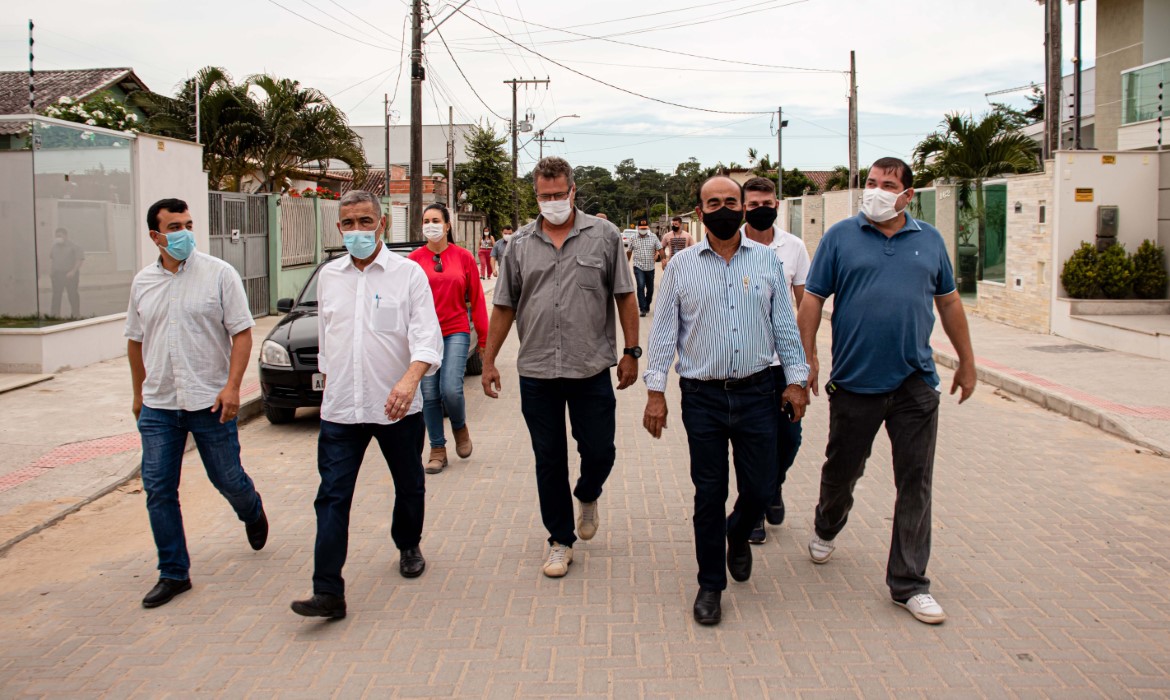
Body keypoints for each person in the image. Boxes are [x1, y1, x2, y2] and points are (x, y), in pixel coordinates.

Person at [797, 157, 976, 625]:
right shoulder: (840, 236)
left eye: (887, 185)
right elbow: (813, 298)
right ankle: (827, 523)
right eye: (871, 183)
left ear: (907, 195)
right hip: (855, 383)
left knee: (915, 482)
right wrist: (808, 359)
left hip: (915, 383)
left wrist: (967, 362)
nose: (876, 191)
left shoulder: (930, 241)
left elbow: (950, 302)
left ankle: (910, 583)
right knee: (843, 470)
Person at [643, 175, 809, 626]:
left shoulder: (769, 263)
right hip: (703, 397)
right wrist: (655, 391)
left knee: (761, 487)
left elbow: (785, 329)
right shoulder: (679, 267)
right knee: (709, 494)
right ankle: (710, 584)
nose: (723, 208)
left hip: (759, 392)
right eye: (712, 202)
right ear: (699, 212)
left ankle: (738, 533)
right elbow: (662, 334)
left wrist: (797, 380)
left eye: (730, 201)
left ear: (742, 206)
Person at [483, 156, 639, 578]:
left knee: (600, 451)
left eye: (558, 194)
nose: (551, 202)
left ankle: (588, 493)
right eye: (543, 196)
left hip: (590, 368)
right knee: (547, 457)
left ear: (573, 192)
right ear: (535, 195)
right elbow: (504, 305)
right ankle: (559, 538)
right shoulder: (518, 244)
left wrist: (632, 351)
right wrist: (489, 359)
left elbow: (626, 295)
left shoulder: (604, 236)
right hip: (536, 371)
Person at [291, 190, 443, 620]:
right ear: (339, 228)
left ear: (382, 224)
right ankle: (328, 591)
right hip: (341, 409)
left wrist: (410, 380)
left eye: (365, 221)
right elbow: (327, 335)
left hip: (396, 407)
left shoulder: (407, 275)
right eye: (349, 223)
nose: (357, 230)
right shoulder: (330, 276)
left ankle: (407, 542)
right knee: (332, 497)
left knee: (409, 485)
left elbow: (427, 339)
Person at [125, 198, 267, 609]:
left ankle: (252, 510)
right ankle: (173, 572)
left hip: (209, 399)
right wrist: (138, 394)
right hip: (159, 404)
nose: (184, 233)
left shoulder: (219, 274)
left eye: (188, 224)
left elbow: (242, 333)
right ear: (155, 236)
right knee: (158, 488)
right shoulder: (142, 283)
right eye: (174, 227)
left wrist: (233, 387)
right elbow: (135, 341)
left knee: (227, 479)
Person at [739, 176, 812, 545]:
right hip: (746, 365)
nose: (760, 209)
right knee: (753, 442)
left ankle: (773, 486)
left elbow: (806, 306)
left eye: (766, 203)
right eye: (752, 205)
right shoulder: (728, 245)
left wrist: (806, 362)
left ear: (777, 203)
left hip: (783, 363)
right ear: (743, 207)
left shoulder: (793, 247)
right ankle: (752, 512)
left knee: (789, 438)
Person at [408, 203, 489, 474]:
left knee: (451, 390)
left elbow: (477, 300)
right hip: (424, 336)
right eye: (426, 220)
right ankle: (437, 448)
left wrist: (485, 342)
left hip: (456, 330)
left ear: (447, 226)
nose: (430, 225)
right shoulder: (413, 261)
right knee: (429, 394)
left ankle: (460, 427)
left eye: (436, 220)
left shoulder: (463, 257)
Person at [629, 218, 662, 317]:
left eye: (645, 228)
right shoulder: (633, 238)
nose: (643, 229)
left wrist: (663, 259)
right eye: (641, 227)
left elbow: (660, 248)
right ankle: (642, 308)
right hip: (638, 266)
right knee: (640, 286)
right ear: (638, 227)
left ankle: (647, 304)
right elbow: (629, 251)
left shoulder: (653, 237)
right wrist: (626, 263)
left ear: (647, 227)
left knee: (650, 289)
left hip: (650, 267)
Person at [49, 227, 85, 317]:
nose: (58, 238)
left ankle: (76, 314)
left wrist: (73, 271)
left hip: (70, 275)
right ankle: (55, 315)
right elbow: (53, 259)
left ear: (65, 236)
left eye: (60, 236)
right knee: (56, 296)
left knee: (72, 295)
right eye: (56, 236)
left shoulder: (73, 246)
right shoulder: (54, 247)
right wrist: (52, 271)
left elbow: (79, 260)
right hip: (57, 275)